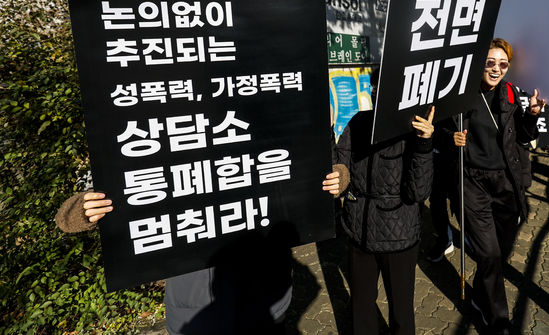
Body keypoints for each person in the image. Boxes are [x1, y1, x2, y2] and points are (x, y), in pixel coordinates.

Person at [55, 189, 301, 334]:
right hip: (197, 304)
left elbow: (303, 174)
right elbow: (67, 219)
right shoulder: (161, 139)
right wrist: (85, 209)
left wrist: (335, 179)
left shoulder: (261, 125)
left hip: (265, 297)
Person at [322, 69, 435, 335]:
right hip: (358, 229)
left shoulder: (414, 127)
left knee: (402, 311)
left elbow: (419, 193)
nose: (380, 93)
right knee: (361, 305)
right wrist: (327, 131)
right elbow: (340, 164)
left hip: (399, 235)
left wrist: (424, 144)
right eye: (376, 87)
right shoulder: (357, 121)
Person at [451, 38, 545, 334]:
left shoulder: (511, 93)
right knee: (488, 254)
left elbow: (521, 137)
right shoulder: (459, 95)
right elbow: (437, 130)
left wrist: (532, 115)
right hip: (471, 183)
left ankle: (481, 296)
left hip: (505, 183)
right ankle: (499, 321)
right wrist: (449, 139)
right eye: (490, 63)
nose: (496, 69)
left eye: (502, 64)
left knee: (500, 253)